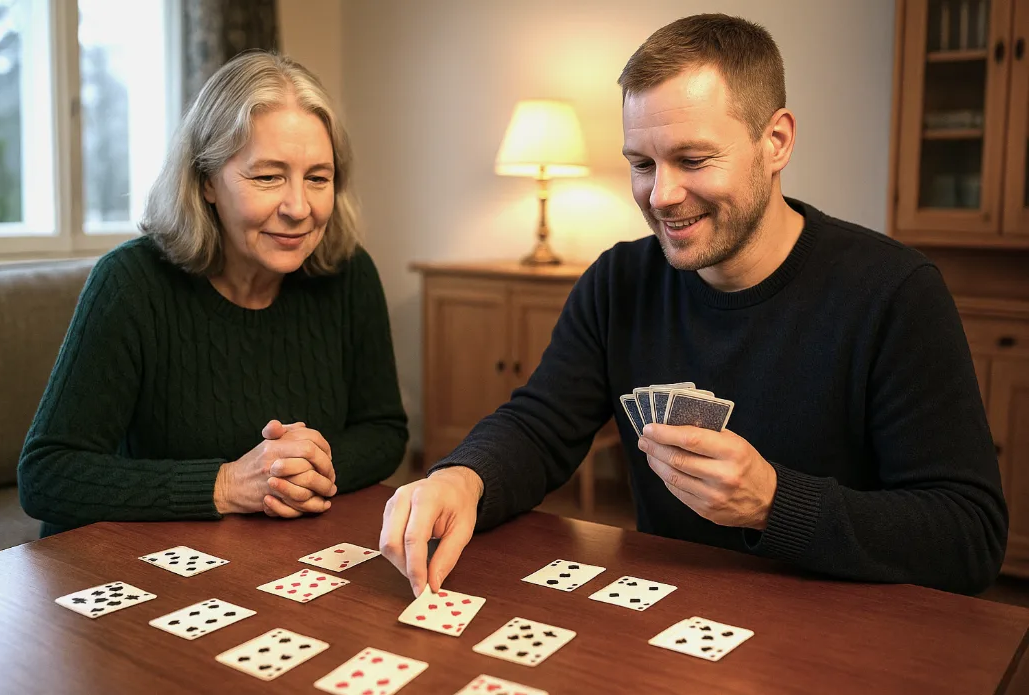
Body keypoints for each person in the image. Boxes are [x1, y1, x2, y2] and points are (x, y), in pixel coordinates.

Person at [379, 14, 1007, 597]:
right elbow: (538, 427)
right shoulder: (619, 279)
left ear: (777, 142)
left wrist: (773, 502)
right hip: (666, 612)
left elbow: (969, 535)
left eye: (693, 159)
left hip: (841, 632)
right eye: (641, 163)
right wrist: (464, 476)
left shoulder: (896, 293)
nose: (662, 195)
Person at [18, 51, 408, 536]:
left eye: (317, 178)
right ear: (206, 182)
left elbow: (384, 431)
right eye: (267, 176)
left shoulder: (349, 274)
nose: (298, 206)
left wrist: (309, 467)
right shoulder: (129, 283)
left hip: (275, 557)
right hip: (138, 564)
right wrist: (225, 485)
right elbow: (47, 475)